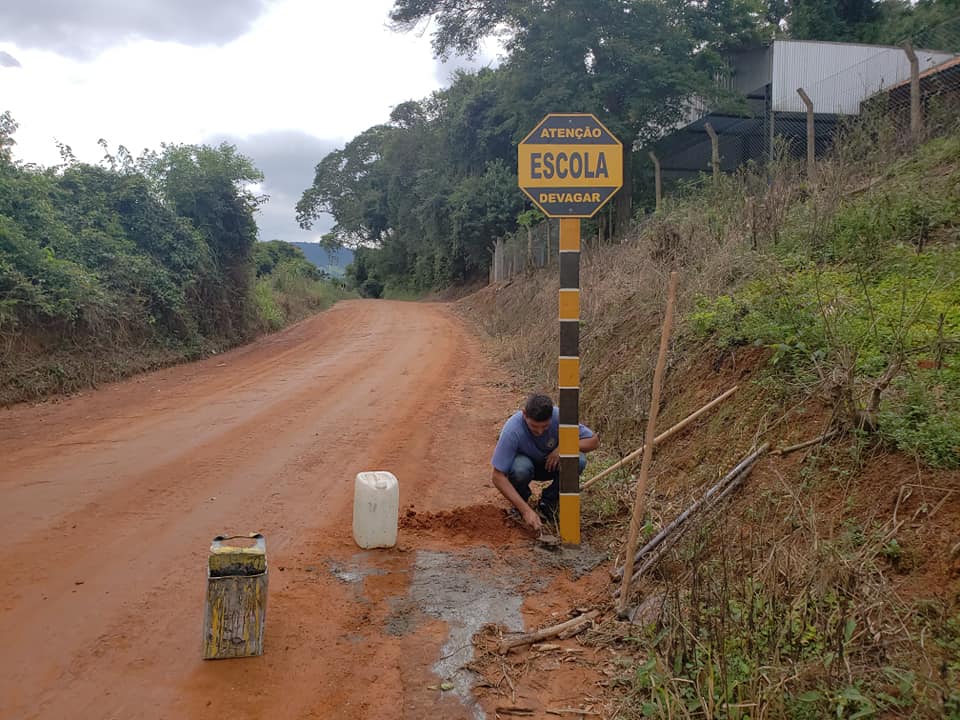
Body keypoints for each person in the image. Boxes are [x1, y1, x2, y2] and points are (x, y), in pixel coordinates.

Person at [491, 393, 600, 532]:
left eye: (545, 426)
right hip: (526, 468)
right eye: (534, 426)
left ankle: (548, 503)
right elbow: (497, 476)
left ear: (551, 417)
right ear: (524, 414)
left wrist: (564, 447)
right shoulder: (512, 429)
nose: (540, 431)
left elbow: (593, 441)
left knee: (578, 460)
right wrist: (526, 511)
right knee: (520, 469)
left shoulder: (559, 417)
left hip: (552, 466)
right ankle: (521, 503)